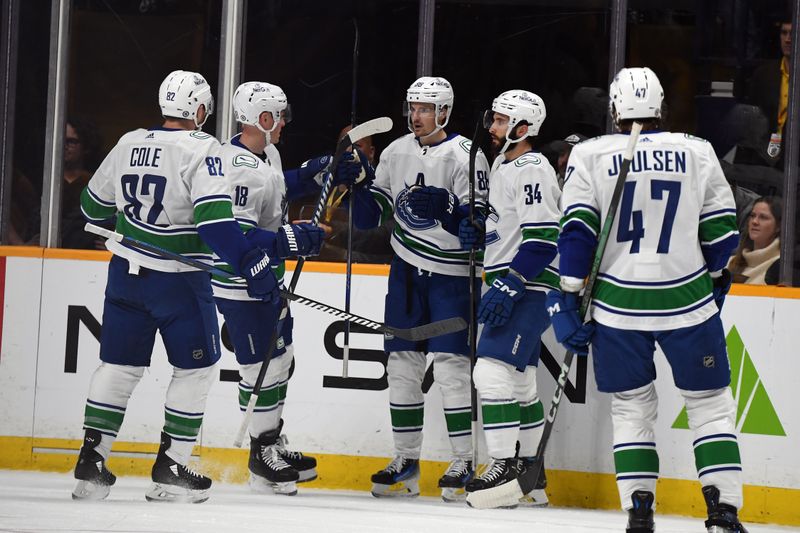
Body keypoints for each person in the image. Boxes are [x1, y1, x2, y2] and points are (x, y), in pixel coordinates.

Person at [547, 67, 747, 532]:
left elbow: (576, 234)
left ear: (613, 109)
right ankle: (722, 511)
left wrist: (569, 297)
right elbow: (722, 235)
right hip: (687, 301)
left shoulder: (590, 154)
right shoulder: (697, 151)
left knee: (632, 407)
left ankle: (639, 512)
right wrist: (715, 273)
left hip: (616, 306)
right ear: (662, 108)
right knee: (709, 405)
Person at [73, 70, 283, 504]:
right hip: (179, 282)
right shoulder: (201, 148)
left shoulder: (129, 141)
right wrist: (248, 261)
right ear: (201, 110)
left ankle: (91, 463)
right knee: (197, 368)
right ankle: (172, 466)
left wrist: (137, 224)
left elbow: (91, 204)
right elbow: (214, 222)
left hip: (124, 276)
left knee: (118, 367)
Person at [349, 76, 490, 501]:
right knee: (401, 365)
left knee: (450, 367)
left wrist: (451, 212)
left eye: (425, 109)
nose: (416, 116)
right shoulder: (395, 151)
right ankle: (406, 460)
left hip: (450, 278)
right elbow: (371, 217)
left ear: (444, 111)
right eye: (412, 108)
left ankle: (464, 459)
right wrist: (356, 186)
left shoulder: (468, 156)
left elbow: (480, 228)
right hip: (405, 274)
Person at [214, 81, 330, 496]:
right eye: (278, 116)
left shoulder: (267, 154)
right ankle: (261, 454)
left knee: (281, 360)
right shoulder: (235, 167)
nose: (284, 123)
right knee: (261, 365)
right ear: (262, 118)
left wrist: (314, 176)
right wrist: (289, 240)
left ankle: (270, 439)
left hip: (268, 281)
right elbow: (238, 234)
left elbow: (277, 188)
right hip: (241, 283)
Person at [457, 90, 560, 507]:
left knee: (491, 373)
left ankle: (504, 468)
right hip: (511, 279)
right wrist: (481, 233)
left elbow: (544, 238)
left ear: (523, 128)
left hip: (527, 285)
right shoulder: (506, 163)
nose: (492, 128)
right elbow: (512, 227)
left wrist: (512, 282)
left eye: (501, 122)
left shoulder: (533, 167)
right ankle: (531, 476)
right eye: (493, 119)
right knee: (518, 382)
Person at [747, 13, 792, 163]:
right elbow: (751, 116)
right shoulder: (764, 74)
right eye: (784, 33)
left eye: (793, 34)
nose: (788, 39)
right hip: (763, 154)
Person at [61, 117, 105, 249]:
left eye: (71, 141)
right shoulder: (49, 183)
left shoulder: (97, 184)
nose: (65, 146)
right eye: (62, 140)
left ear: (86, 147)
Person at [728, 196, 782, 285]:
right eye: (752, 216)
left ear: (778, 226)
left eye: (763, 217)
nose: (754, 221)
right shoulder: (730, 262)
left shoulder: (782, 270)